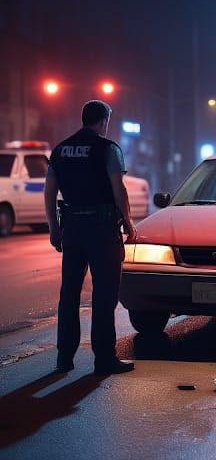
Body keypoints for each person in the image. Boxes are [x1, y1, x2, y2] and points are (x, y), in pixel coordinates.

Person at [44, 99, 137, 375]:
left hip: (72, 227)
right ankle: (104, 358)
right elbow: (118, 189)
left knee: (69, 293)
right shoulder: (107, 148)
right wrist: (130, 223)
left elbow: (50, 192)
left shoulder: (60, 150)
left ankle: (64, 358)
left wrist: (54, 228)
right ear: (104, 121)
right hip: (102, 229)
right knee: (104, 294)